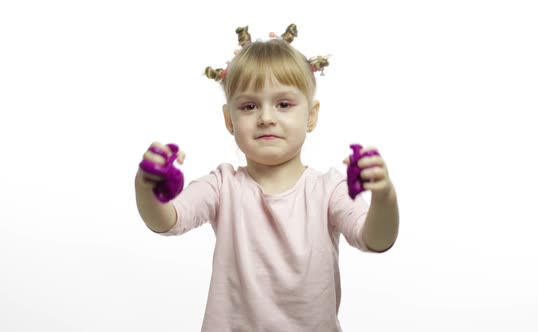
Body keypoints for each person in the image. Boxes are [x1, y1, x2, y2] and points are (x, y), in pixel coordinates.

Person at [135, 24, 399, 332]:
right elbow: (167, 220)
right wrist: (146, 187)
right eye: (249, 106)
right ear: (229, 120)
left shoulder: (328, 190)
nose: (266, 117)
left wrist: (385, 197)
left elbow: (375, 239)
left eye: (284, 104)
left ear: (311, 116)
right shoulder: (222, 186)